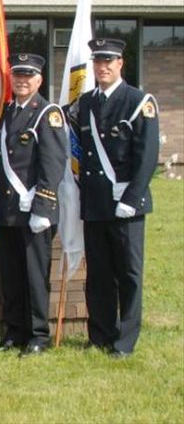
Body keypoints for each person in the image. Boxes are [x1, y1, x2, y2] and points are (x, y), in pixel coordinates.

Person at [76, 38, 159, 358]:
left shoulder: (138, 101)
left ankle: (125, 341)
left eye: (109, 61)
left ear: (121, 63)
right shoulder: (85, 104)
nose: (103, 67)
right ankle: (100, 335)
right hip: (96, 202)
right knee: (98, 273)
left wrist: (133, 196)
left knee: (129, 274)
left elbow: (148, 155)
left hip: (125, 203)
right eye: (98, 61)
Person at [0, 53, 66, 356]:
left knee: (35, 277)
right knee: (11, 275)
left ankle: (38, 335)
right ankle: (14, 331)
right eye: (17, 76)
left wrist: (43, 207)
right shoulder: (6, 112)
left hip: (34, 210)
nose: (21, 81)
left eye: (28, 76)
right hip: (8, 210)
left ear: (39, 80)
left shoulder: (47, 113)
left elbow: (53, 164)